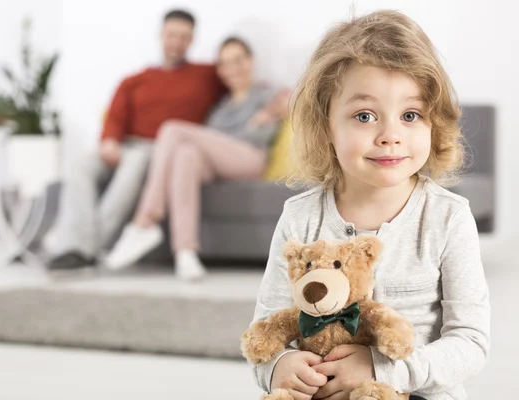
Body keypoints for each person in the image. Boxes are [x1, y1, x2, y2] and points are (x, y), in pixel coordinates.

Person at [249, 10, 490, 400]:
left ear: (433, 122)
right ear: (326, 123)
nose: (390, 135)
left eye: (410, 115)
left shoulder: (448, 216)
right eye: (364, 116)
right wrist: (279, 367)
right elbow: (265, 332)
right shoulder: (300, 216)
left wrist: (383, 369)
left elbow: (470, 342)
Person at [46, 10, 226, 270]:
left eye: (184, 37)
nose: (176, 42)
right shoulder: (133, 81)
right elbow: (115, 116)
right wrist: (109, 140)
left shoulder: (206, 76)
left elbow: (239, 78)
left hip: (159, 149)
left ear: (192, 40)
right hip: (124, 145)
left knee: (134, 163)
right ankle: (72, 243)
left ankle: (82, 249)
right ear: (161, 35)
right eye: (172, 35)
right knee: (79, 165)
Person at [103, 37, 281, 280]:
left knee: (172, 129)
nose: (233, 69)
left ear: (250, 61)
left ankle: (145, 220)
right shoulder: (220, 107)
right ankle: (185, 253)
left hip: (250, 159)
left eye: (238, 60)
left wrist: (272, 110)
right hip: (219, 163)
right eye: (225, 64)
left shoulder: (266, 93)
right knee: (186, 156)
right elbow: (211, 146)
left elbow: (298, 99)